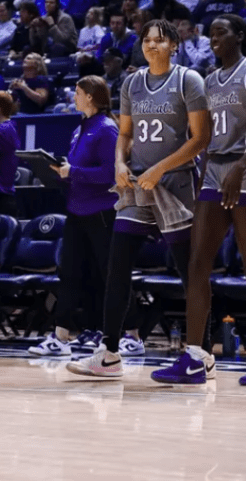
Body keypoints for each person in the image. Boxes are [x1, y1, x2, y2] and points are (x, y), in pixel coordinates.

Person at [151, 14, 246, 386]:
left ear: (239, 35)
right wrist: (202, 178)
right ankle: (195, 356)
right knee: (197, 264)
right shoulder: (209, 80)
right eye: (210, 32)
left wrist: (240, 166)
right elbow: (205, 136)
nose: (213, 37)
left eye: (221, 31)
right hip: (213, 171)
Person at [68, 21, 211, 377]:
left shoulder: (189, 80)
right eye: (147, 40)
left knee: (188, 270)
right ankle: (109, 353)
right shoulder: (132, 83)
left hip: (175, 183)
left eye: (159, 40)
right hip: (138, 185)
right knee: (117, 266)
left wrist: (160, 169)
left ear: (174, 45)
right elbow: (126, 134)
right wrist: (120, 162)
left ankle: (202, 353)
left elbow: (200, 138)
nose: (151, 45)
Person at [29, 76, 119, 356]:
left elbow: (110, 174)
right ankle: (60, 337)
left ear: (90, 96)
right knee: (69, 273)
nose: (73, 97)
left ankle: (122, 334)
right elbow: (78, 168)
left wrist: (74, 172)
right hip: (76, 209)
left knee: (105, 275)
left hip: (101, 212)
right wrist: (59, 172)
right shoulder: (81, 128)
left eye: (78, 93)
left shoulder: (107, 129)